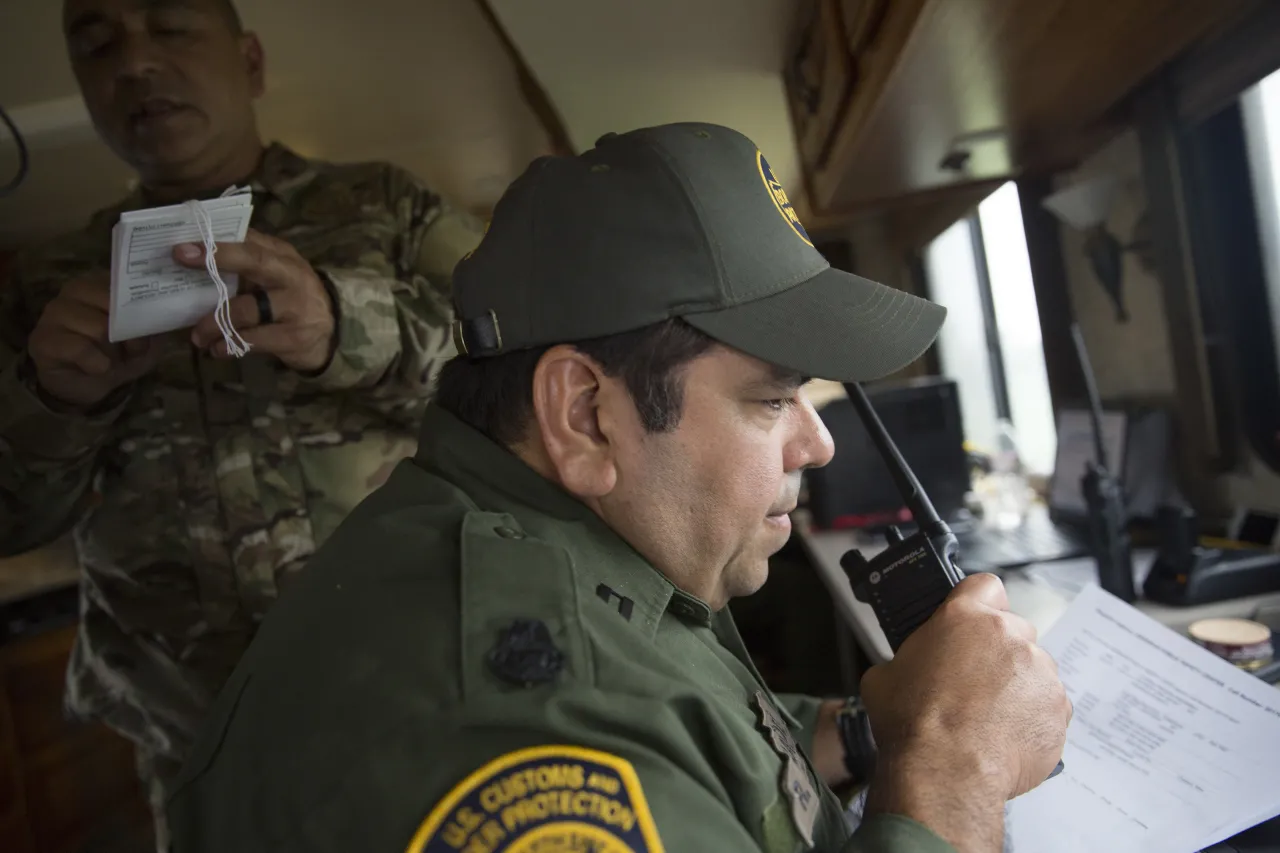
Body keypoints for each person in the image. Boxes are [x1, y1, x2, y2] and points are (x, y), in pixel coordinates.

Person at [165, 123, 1071, 853]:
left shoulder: (543, 538)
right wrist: (954, 765)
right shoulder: (522, 727)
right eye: (772, 399)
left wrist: (877, 729)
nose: (819, 444)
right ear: (586, 414)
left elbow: (686, 724)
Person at [0, 0, 482, 847]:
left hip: (429, 702)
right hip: (200, 742)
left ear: (251, 62)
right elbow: (11, 520)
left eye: (173, 26)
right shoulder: (42, 287)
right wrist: (53, 400)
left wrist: (344, 326)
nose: (134, 65)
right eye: (97, 44)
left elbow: (530, 374)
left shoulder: (388, 207)